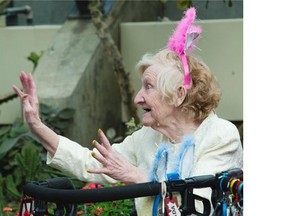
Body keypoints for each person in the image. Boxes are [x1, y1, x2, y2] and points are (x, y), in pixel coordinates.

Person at [13, 7, 243, 216]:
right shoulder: (147, 137)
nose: (137, 97)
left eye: (148, 87)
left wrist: (135, 176)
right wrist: (37, 125)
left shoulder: (220, 135)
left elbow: (199, 208)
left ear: (179, 95)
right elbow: (89, 163)